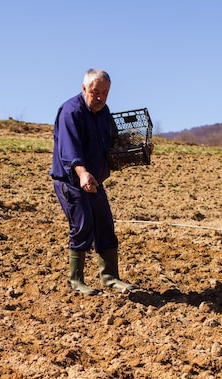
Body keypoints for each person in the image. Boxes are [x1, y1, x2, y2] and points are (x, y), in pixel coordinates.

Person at [50, 68, 136, 295]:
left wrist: (136, 148)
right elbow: (69, 149)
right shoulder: (71, 112)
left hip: (94, 181)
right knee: (83, 224)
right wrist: (82, 173)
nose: (100, 98)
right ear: (84, 88)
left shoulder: (104, 113)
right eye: (95, 92)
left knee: (105, 223)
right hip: (71, 180)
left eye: (105, 93)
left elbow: (113, 143)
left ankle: (110, 278)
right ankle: (76, 281)